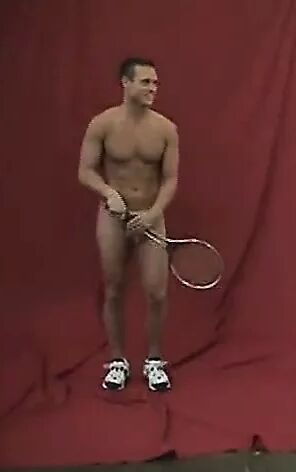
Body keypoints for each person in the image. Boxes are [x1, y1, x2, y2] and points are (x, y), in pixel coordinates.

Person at [78, 57, 180, 392]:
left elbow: (170, 179)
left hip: (151, 216)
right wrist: (108, 192)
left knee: (157, 292)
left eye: (155, 83)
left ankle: (154, 361)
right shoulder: (102, 124)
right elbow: (85, 171)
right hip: (114, 217)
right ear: (126, 83)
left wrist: (153, 213)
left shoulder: (166, 129)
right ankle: (117, 361)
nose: (153, 88)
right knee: (113, 288)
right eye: (146, 82)